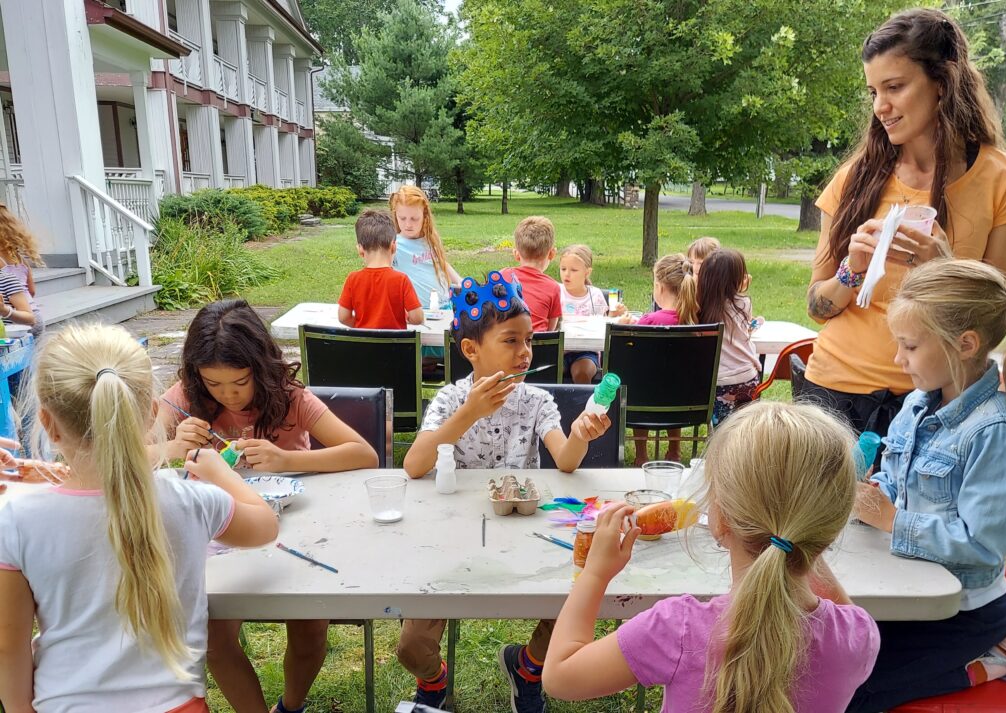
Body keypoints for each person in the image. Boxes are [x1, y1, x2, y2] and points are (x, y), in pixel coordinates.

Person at [0, 323, 279, 712]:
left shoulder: (16, 518)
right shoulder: (192, 500)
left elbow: (7, 647)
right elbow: (265, 525)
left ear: (46, 423)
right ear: (150, 415)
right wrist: (221, 472)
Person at [542, 400, 879, 712]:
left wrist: (595, 574)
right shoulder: (856, 635)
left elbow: (561, 675)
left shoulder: (678, 629)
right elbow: (843, 613)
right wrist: (804, 537)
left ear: (720, 519)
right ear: (832, 526)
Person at [804, 7, 1006, 437]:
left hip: (936, 403)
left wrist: (942, 271)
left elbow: (993, 318)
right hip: (833, 393)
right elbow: (816, 306)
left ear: (942, 83)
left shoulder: (1005, 177)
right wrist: (853, 270)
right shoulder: (855, 178)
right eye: (873, 91)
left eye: (895, 87)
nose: (880, 107)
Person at [401, 271, 612, 712]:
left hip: (527, 536)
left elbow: (566, 459)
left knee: (576, 604)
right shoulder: (447, 400)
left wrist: (581, 433)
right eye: (511, 341)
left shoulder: (535, 401)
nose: (525, 352)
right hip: (453, 542)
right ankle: (435, 683)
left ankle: (528, 666)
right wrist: (468, 412)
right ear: (472, 350)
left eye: (529, 340)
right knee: (411, 646)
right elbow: (413, 465)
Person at [158, 299, 378, 713]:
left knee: (311, 631)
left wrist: (288, 459)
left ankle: (290, 707)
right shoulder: (184, 397)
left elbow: (363, 453)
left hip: (297, 535)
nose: (228, 395)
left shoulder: (289, 397)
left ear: (259, 368)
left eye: (239, 382)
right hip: (218, 539)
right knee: (213, 638)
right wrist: (171, 444)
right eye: (213, 384)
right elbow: (121, 450)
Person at [850, 259, 1006, 711]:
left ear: (964, 345)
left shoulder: (993, 432)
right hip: (907, 591)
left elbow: (985, 549)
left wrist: (893, 521)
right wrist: (878, 491)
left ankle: (990, 661)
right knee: (826, 654)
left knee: (854, 689)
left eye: (908, 346)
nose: (897, 358)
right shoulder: (916, 403)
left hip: (964, 612)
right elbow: (895, 472)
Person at [620, 253, 698, 464]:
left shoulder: (649, 320)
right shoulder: (696, 321)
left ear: (660, 287)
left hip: (643, 399)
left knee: (640, 384)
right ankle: (674, 450)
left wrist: (624, 323)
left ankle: (641, 454)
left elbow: (628, 352)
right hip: (685, 399)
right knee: (673, 383)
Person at [697, 248, 761, 423]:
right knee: (747, 428)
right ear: (738, 280)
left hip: (720, 380)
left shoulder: (700, 308)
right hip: (748, 376)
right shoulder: (743, 303)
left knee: (724, 432)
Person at [338, 209, 424, 329]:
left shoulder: (353, 279)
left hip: (363, 347)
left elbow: (343, 317)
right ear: (393, 247)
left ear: (360, 250)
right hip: (396, 347)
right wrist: (406, 318)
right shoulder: (401, 280)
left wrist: (360, 326)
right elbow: (418, 318)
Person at [558, 244, 625, 384]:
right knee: (550, 371)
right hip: (559, 349)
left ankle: (582, 404)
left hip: (586, 352)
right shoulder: (556, 292)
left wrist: (613, 314)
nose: (567, 274)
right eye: (563, 269)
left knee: (581, 373)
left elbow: (603, 324)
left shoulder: (595, 295)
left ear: (587, 272)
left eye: (574, 270)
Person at [390, 186, 460, 309]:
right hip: (419, 313)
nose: (408, 224)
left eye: (414, 219)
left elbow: (441, 263)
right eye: (402, 218)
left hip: (445, 306)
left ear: (425, 215)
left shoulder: (430, 239)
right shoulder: (394, 245)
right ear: (395, 215)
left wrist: (459, 280)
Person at [501, 216, 562, 333]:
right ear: (552, 254)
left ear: (516, 254)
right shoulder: (553, 287)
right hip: (538, 348)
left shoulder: (502, 276)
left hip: (505, 348)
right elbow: (550, 330)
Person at [0, 204, 42, 335]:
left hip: (18, 321)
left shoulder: (1, 264)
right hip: (34, 314)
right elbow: (32, 291)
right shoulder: (21, 259)